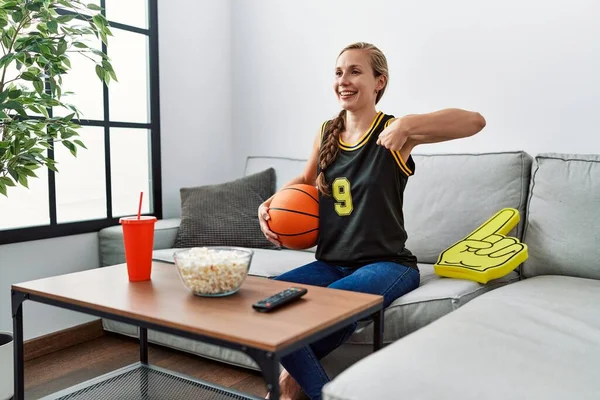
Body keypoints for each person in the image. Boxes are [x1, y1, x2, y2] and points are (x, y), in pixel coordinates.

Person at [258, 42, 486, 400]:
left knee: (324, 306)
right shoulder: (326, 131)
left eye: (355, 71)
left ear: (379, 81)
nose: (343, 80)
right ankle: (293, 381)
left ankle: (295, 386)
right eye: (338, 72)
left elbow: (475, 122)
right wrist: (269, 203)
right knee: (263, 302)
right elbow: (304, 181)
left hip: (387, 263)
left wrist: (408, 123)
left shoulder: (395, 133)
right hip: (331, 263)